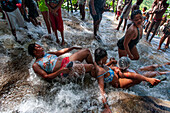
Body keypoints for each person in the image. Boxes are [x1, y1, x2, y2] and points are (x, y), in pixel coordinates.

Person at [93, 48, 161, 113]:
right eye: (106, 57)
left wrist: (111, 62)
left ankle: (148, 79)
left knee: (127, 72)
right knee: (136, 79)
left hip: (115, 74)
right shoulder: (100, 72)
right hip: (118, 82)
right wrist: (106, 107)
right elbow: (101, 91)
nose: (107, 58)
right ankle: (148, 80)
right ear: (101, 58)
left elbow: (104, 66)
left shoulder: (99, 64)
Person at [28, 43, 96, 80]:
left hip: (67, 60)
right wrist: (60, 71)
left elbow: (60, 52)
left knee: (87, 51)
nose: (42, 48)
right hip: (64, 70)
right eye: (39, 47)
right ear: (34, 52)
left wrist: (72, 48)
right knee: (91, 67)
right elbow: (46, 76)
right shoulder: (36, 65)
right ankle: (99, 77)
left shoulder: (47, 53)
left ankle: (95, 72)